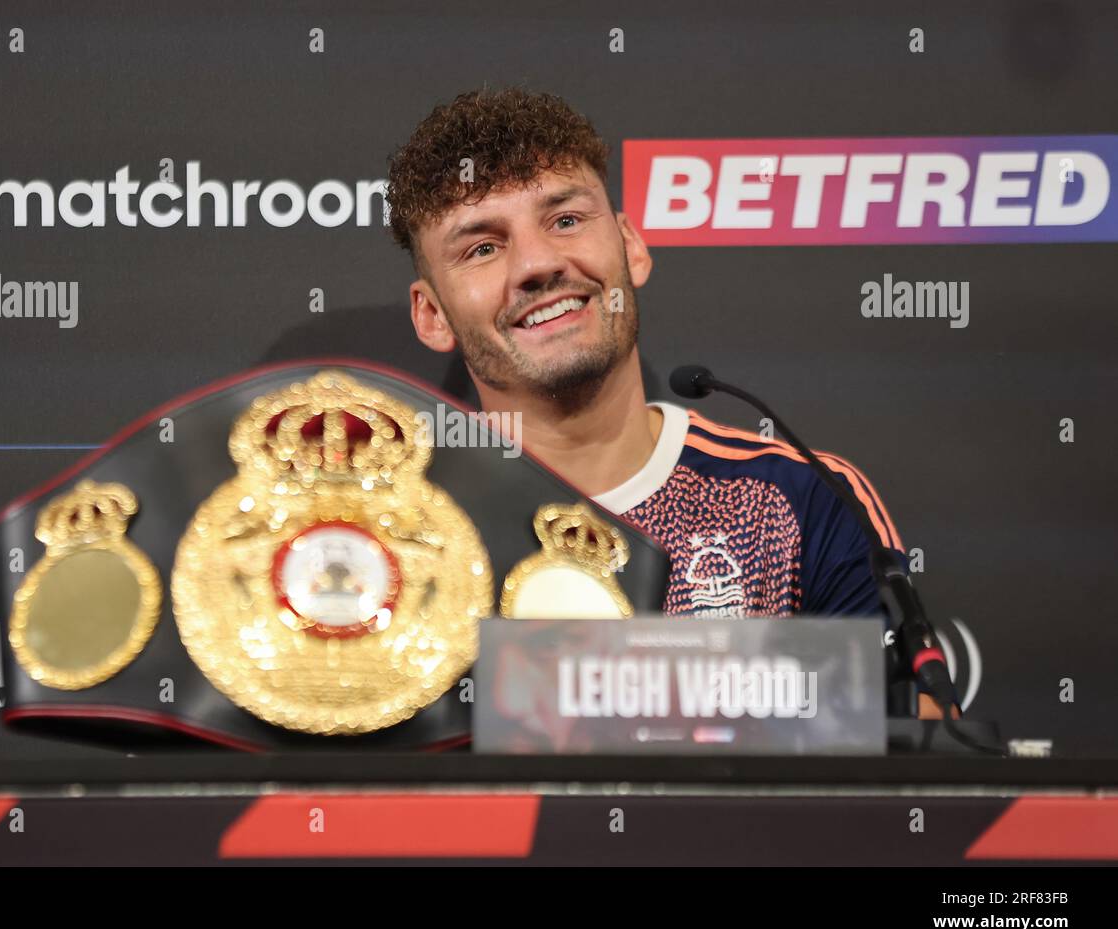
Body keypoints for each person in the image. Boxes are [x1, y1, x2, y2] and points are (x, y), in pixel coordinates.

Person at [385, 88, 945, 715]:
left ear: (632, 247)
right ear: (432, 315)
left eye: (566, 220)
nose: (538, 264)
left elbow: (914, 779)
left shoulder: (805, 496)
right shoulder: (399, 533)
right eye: (483, 248)